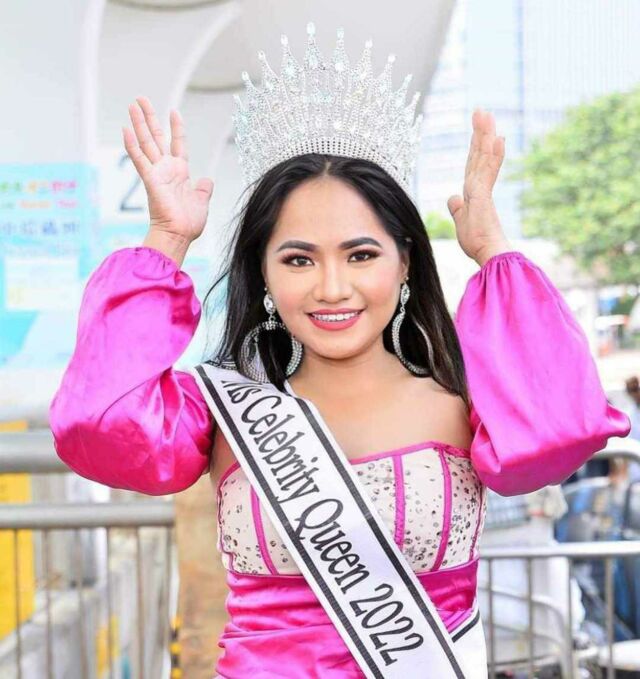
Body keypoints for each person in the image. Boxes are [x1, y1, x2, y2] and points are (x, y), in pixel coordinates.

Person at [48, 24, 631, 679]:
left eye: (360, 255)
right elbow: (98, 423)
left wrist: (492, 247)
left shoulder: (464, 403)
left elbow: (562, 427)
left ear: (404, 262)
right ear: (263, 274)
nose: (332, 287)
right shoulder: (221, 412)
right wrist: (167, 237)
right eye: (298, 259)